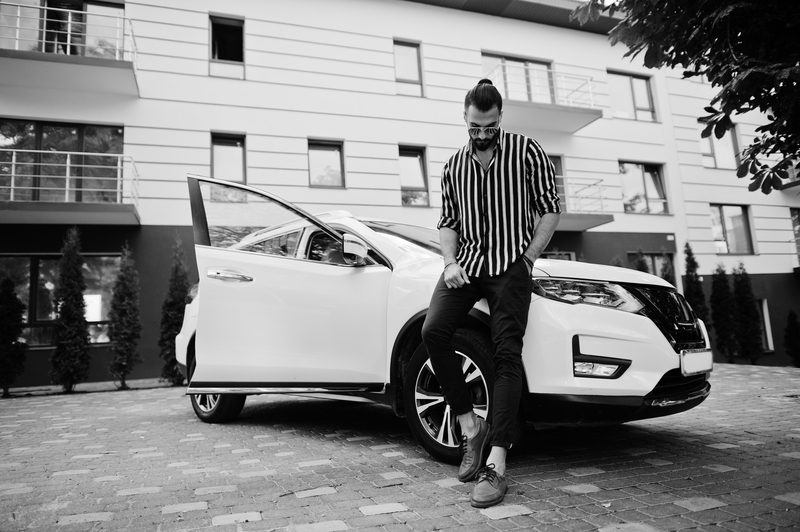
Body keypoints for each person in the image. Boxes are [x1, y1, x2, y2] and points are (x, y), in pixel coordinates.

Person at [421, 78, 561, 508]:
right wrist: (449, 262)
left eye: (490, 126)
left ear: (500, 118)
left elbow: (551, 206)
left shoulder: (527, 151)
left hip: (510, 267)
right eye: (475, 127)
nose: (482, 135)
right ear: (465, 119)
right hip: (467, 264)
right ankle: (470, 427)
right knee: (433, 332)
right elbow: (448, 221)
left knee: (505, 354)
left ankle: (496, 461)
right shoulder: (453, 166)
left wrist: (528, 259)